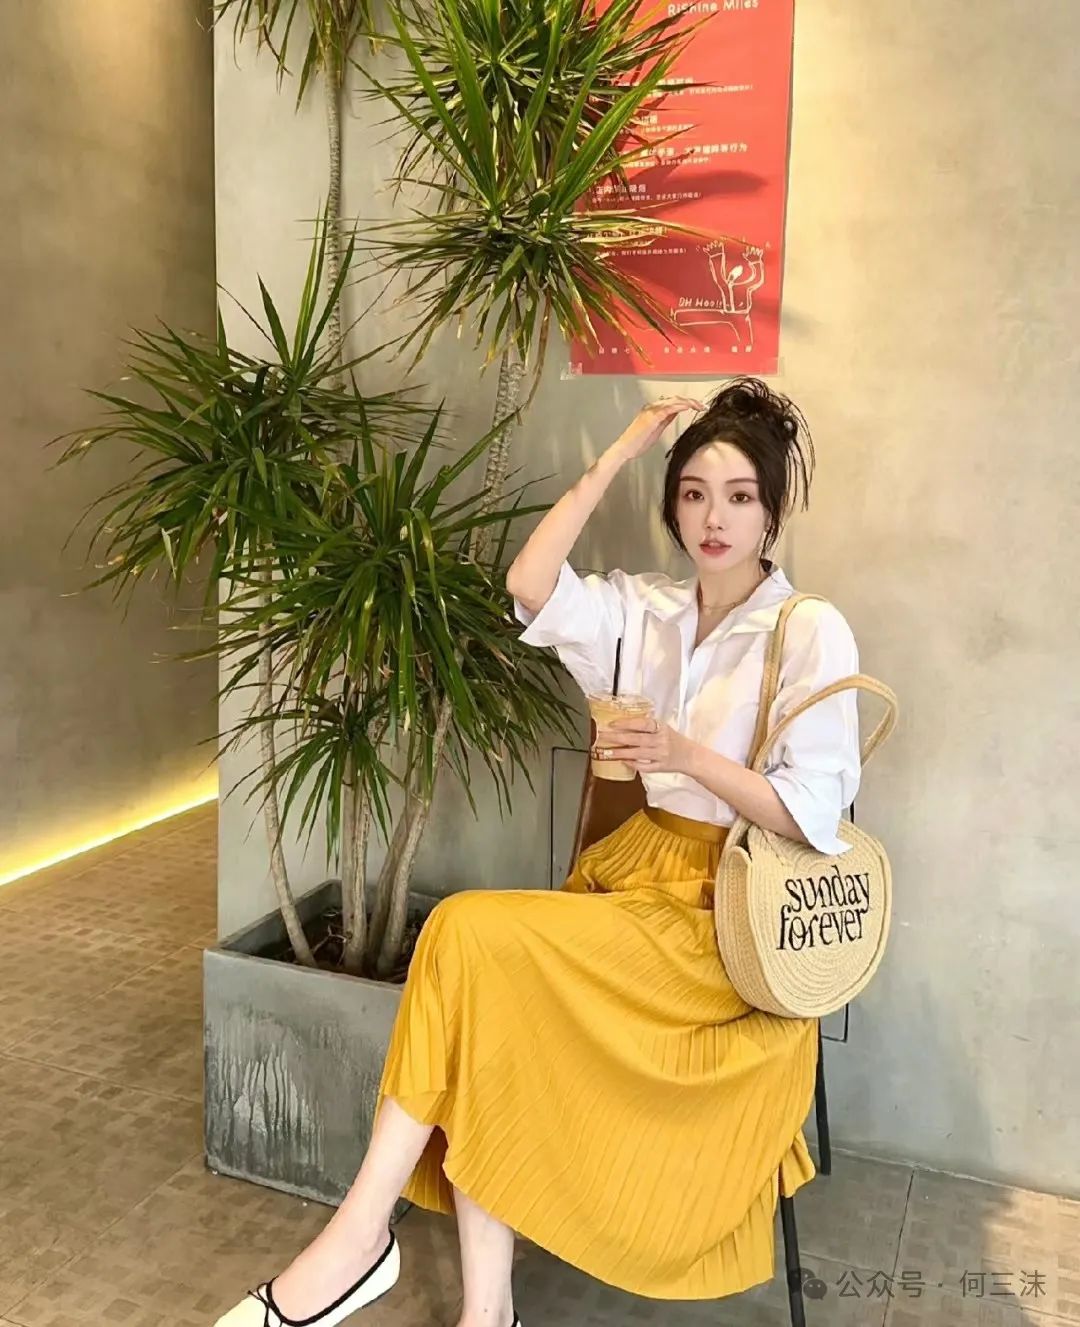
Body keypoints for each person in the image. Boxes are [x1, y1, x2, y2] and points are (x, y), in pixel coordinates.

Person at [213, 378, 862, 1327]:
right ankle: (472, 1304)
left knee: (468, 940)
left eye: (739, 496)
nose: (713, 519)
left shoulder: (808, 629)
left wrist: (685, 756)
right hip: (630, 886)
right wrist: (618, 455)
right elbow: (529, 584)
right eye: (692, 493)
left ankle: (360, 1241)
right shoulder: (648, 610)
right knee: (484, 986)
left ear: (773, 510)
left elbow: (813, 814)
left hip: (723, 918)